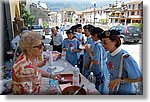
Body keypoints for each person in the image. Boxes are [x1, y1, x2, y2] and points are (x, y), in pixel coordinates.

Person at [100, 30, 143, 95]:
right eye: (102, 43)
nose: (103, 45)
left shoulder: (125, 57)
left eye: (105, 43)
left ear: (115, 42)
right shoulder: (109, 54)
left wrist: (120, 80)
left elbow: (139, 78)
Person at [85, 27, 109, 94]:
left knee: (98, 90)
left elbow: (96, 61)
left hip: (98, 70)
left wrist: (89, 51)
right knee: (102, 87)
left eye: (92, 35)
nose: (91, 37)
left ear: (95, 35)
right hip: (103, 68)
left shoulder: (98, 46)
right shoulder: (103, 44)